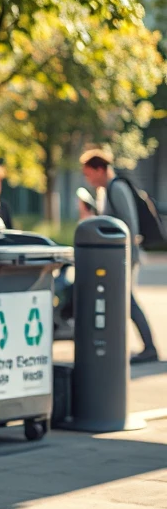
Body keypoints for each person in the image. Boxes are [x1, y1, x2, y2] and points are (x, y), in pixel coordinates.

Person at [80, 149, 158, 363]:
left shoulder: (117, 188)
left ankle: (149, 348)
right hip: (114, 258)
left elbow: (128, 227)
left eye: (89, 174)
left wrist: (125, 257)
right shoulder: (104, 192)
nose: (88, 179)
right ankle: (121, 345)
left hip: (123, 257)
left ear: (100, 169)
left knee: (128, 302)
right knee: (120, 302)